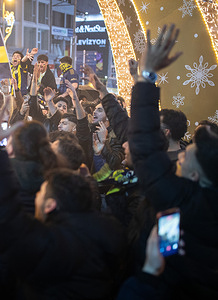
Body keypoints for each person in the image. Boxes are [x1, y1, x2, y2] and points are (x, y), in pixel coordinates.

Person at [0, 102, 125, 298]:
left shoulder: (50, 242)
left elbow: (3, 217)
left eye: (42, 192)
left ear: (51, 204)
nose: (37, 194)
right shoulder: (111, 230)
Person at [128, 24, 218, 298]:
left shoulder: (183, 201)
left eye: (186, 156)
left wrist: (146, 79)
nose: (180, 155)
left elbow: (144, 148)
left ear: (195, 177)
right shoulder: (185, 205)